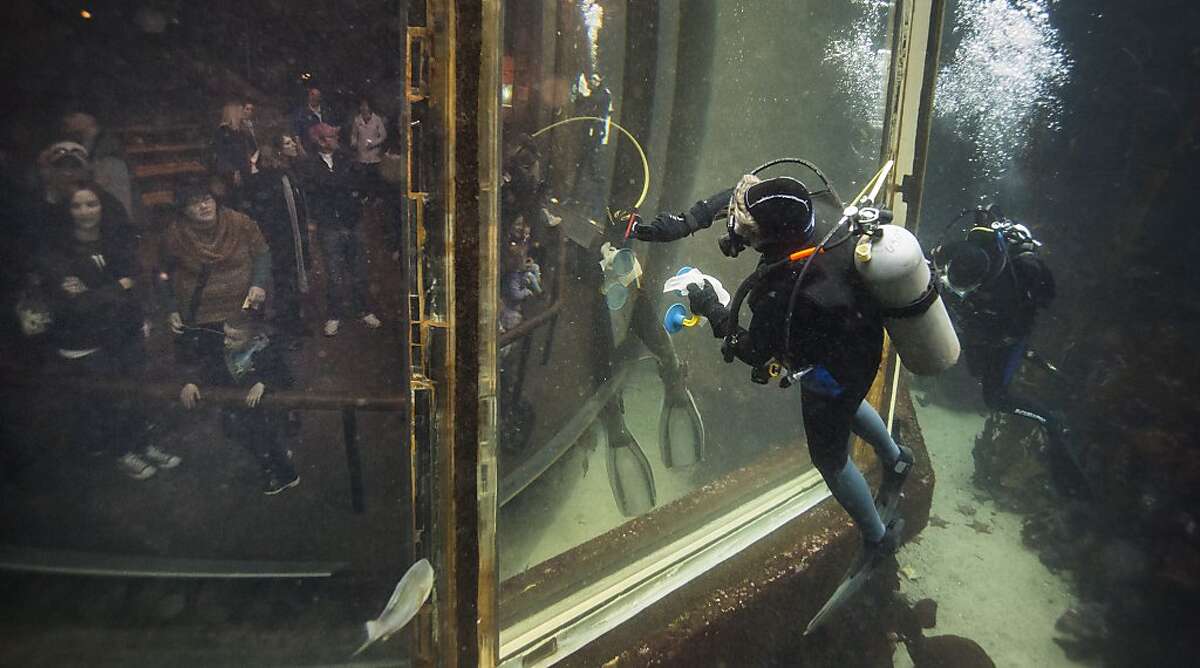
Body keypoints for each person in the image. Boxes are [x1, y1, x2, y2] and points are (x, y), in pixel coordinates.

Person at [633, 175, 914, 553]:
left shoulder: (779, 292)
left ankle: (878, 538)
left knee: (830, 461)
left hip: (830, 373)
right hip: (862, 345)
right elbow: (754, 196)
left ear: (771, 237)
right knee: (849, 404)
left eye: (750, 233)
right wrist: (690, 221)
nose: (740, 234)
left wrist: (712, 308)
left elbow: (752, 350)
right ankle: (896, 459)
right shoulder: (825, 213)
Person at [33, 182, 181, 479]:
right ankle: (122, 450)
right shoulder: (57, 250)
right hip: (85, 338)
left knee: (136, 391)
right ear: (67, 210)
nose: (86, 211)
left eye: (92, 204)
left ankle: (143, 442)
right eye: (77, 205)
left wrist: (112, 293)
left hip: (123, 331)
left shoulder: (117, 240)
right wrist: (117, 287)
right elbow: (77, 304)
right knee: (108, 398)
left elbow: (137, 282)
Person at [930, 207, 1075, 483]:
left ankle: (1050, 420)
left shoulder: (1007, 293)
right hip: (983, 327)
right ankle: (1019, 354)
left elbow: (1016, 325)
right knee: (973, 369)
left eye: (967, 289)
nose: (961, 294)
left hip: (1006, 337)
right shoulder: (958, 252)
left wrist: (986, 333)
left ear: (981, 282)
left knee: (995, 397)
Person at [178, 311, 300, 495]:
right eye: (225, 335)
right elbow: (211, 370)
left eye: (234, 339)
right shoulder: (227, 354)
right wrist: (193, 382)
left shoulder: (265, 350)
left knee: (267, 442)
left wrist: (263, 382)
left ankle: (284, 474)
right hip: (239, 412)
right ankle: (271, 465)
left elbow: (284, 376)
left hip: (264, 413)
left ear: (252, 338)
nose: (226, 342)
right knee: (253, 442)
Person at [157, 176, 271, 364]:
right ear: (183, 210)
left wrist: (259, 284)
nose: (204, 206)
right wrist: (171, 309)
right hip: (200, 314)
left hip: (242, 309)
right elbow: (162, 274)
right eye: (194, 203)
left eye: (207, 199)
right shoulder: (175, 235)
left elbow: (262, 254)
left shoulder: (239, 222)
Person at [300, 123, 382, 337]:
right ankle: (334, 314)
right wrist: (338, 189)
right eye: (330, 136)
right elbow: (317, 191)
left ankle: (364, 309)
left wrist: (341, 192)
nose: (336, 138)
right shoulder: (309, 164)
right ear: (320, 140)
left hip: (352, 221)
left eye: (336, 134)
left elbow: (356, 184)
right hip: (329, 226)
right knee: (334, 273)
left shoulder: (346, 158)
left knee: (359, 269)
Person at [244, 136, 312, 341]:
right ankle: (288, 331)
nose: (293, 145)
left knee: (289, 284)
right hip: (281, 241)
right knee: (284, 285)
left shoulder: (288, 172)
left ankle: (294, 324)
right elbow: (268, 213)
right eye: (288, 143)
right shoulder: (271, 176)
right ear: (278, 151)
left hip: (293, 238)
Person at [61, 112, 137, 222]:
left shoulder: (108, 146)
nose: (67, 120)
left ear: (90, 118)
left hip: (112, 210)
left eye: (72, 115)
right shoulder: (83, 143)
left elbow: (100, 183)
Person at [212, 102, 258, 205]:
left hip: (245, 169)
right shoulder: (222, 132)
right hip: (230, 173)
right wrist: (233, 171)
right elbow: (221, 154)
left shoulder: (242, 130)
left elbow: (253, 147)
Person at [349, 97, 387, 201]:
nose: (364, 108)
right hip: (362, 155)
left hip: (374, 156)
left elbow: (383, 136)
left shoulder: (377, 120)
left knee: (374, 179)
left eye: (366, 105)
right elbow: (353, 135)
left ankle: (374, 198)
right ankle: (364, 198)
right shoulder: (357, 120)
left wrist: (374, 143)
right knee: (363, 180)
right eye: (362, 105)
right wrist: (354, 143)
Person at [292, 86, 338, 152]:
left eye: (317, 95)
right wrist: (300, 148)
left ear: (320, 97)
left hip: (327, 149)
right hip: (309, 149)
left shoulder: (327, 111)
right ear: (308, 97)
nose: (314, 98)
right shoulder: (301, 113)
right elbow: (296, 133)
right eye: (312, 95)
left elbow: (334, 129)